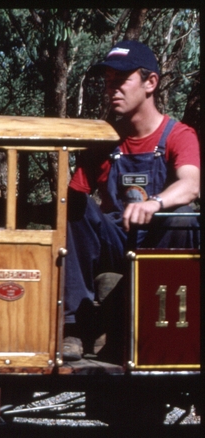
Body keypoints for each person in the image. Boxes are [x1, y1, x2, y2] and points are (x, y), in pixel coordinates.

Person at [63, 40, 200, 361]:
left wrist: (154, 204)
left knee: (183, 214)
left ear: (150, 82)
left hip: (157, 240)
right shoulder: (104, 140)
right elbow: (75, 200)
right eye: (108, 81)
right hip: (115, 241)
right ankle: (75, 326)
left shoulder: (178, 135)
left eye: (122, 80)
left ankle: (158, 324)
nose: (112, 89)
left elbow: (191, 184)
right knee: (71, 204)